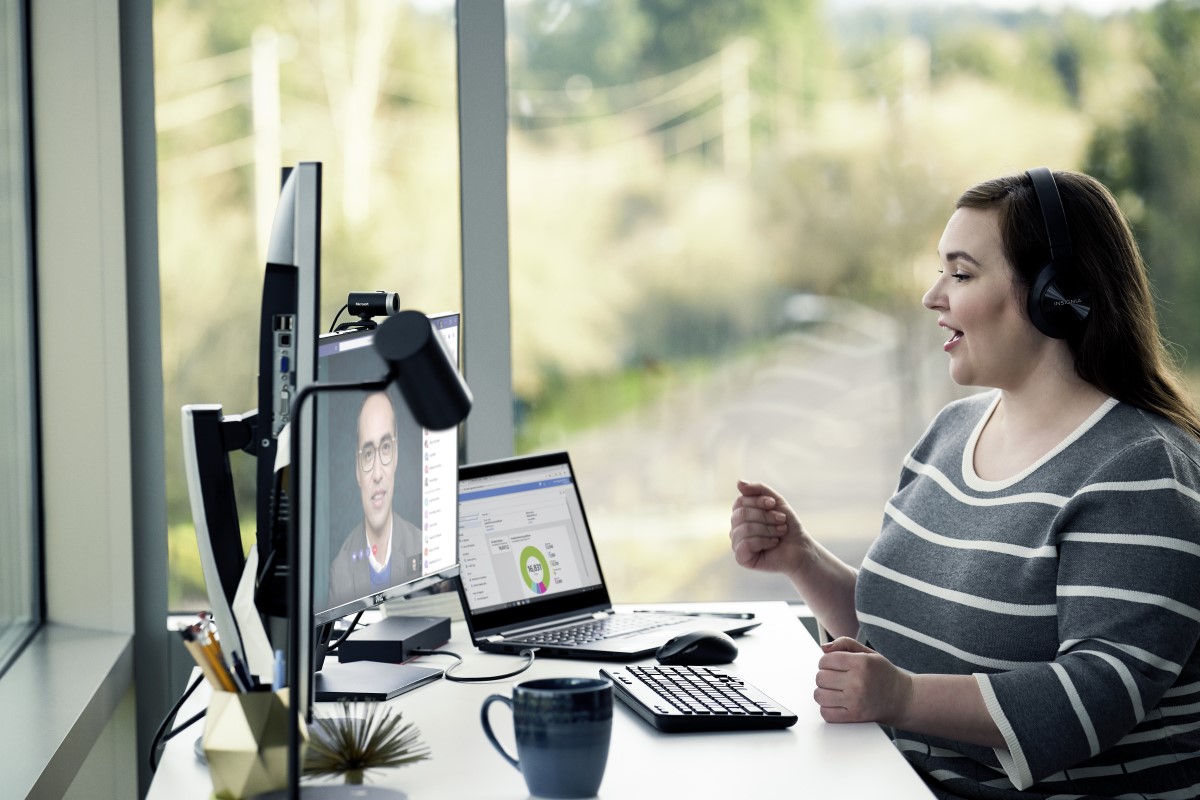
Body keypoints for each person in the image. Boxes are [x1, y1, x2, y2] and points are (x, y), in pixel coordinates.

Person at [729, 169, 1200, 799]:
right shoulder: (951, 434)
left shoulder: (1142, 468)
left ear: (1053, 296)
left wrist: (902, 697)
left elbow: (1099, 689)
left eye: (961, 272)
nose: (932, 295)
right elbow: (895, 642)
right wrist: (802, 560)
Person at [328, 391, 424, 608]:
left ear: (397, 455)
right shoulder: (340, 572)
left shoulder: (422, 547)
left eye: (386, 447)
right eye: (369, 454)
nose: (378, 473)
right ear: (357, 469)